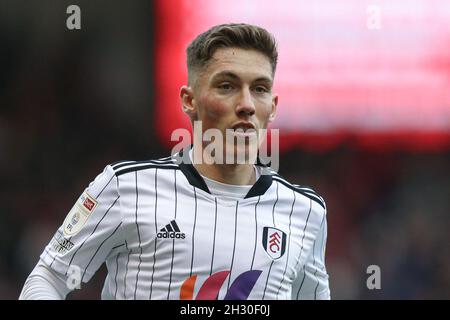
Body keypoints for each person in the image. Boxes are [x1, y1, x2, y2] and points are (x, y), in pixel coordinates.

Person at [19, 23, 330, 300]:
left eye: (259, 89)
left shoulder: (306, 213)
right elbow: (49, 277)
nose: (247, 104)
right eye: (227, 86)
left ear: (272, 107)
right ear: (189, 100)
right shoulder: (126, 188)